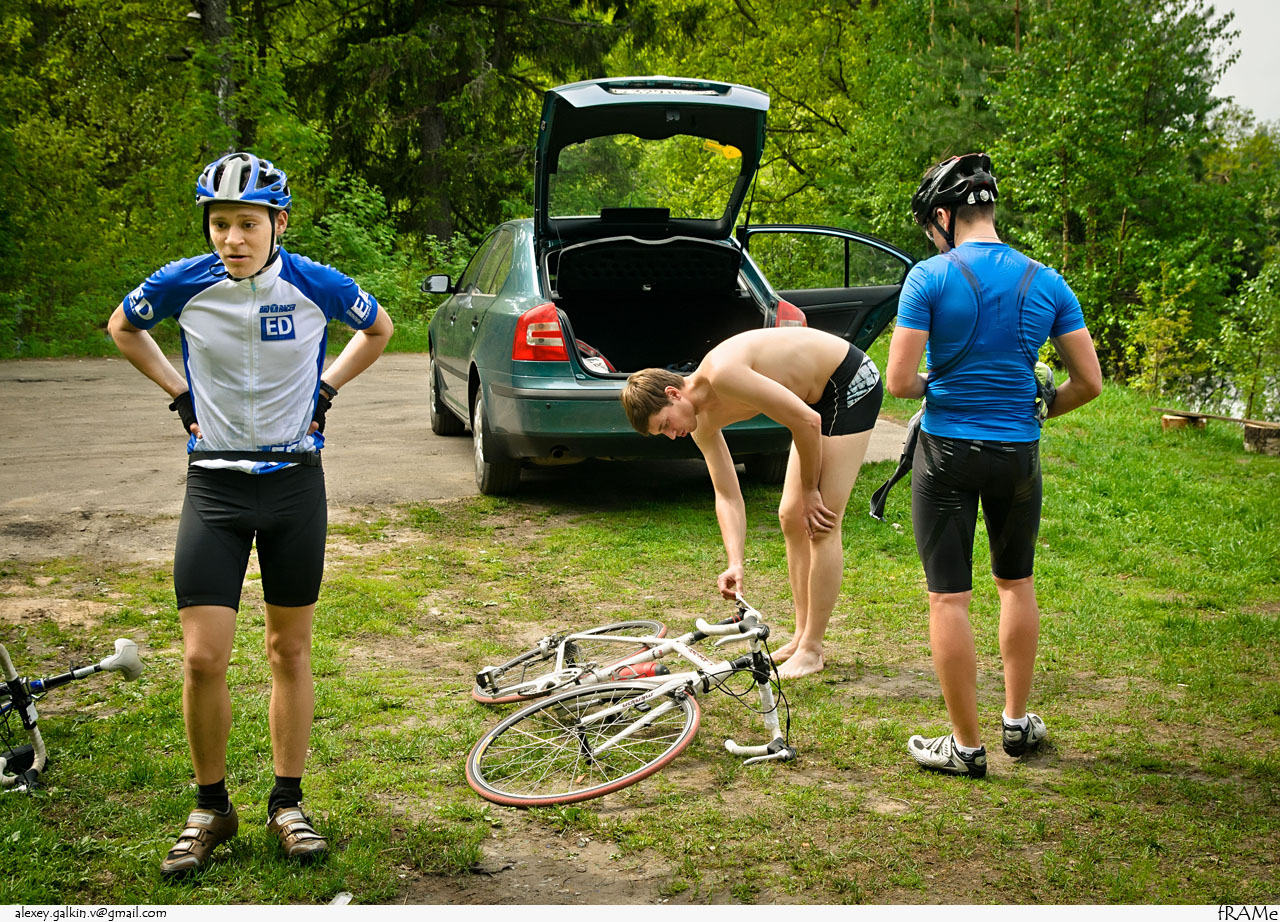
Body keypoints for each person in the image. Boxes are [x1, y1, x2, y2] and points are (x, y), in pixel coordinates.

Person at [107, 152, 393, 875]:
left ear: (279, 223)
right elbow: (123, 326)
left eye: (247, 224)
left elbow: (379, 328)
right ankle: (211, 806)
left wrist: (325, 391)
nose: (233, 239)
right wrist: (180, 395)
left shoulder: (314, 282)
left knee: (287, 650)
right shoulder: (184, 282)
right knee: (203, 657)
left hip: (295, 485)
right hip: (215, 488)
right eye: (219, 224)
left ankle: (287, 803)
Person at [886, 152, 1101, 778]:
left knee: (949, 599)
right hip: (1018, 455)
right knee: (1016, 583)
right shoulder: (1048, 281)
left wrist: (941, 388)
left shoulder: (928, 277)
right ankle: (1015, 722)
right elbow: (1088, 383)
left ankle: (966, 746)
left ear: (944, 216)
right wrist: (1036, 409)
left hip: (947, 453)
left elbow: (900, 381)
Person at [621, 326, 883, 678]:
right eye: (663, 433)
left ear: (673, 393)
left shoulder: (722, 374)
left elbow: (807, 422)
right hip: (813, 403)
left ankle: (812, 649)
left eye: (665, 423)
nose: (672, 435)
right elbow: (727, 494)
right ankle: (800, 638)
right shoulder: (702, 425)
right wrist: (735, 562)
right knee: (791, 516)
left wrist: (810, 490)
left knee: (821, 521)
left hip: (847, 382)